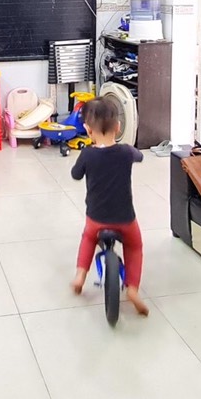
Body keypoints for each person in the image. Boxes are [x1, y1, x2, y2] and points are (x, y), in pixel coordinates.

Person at [69, 96, 148, 316]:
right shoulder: (126, 152)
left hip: (96, 217)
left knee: (88, 238)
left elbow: (75, 175)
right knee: (135, 246)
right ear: (118, 127)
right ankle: (132, 289)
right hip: (125, 218)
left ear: (88, 130)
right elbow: (140, 156)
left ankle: (80, 276)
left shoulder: (87, 154)